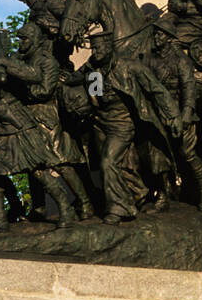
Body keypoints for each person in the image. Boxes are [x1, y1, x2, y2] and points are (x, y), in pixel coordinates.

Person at [0, 38, 79, 234]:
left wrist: (6, 66)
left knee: (37, 170)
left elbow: (33, 76)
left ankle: (65, 208)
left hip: (16, 125)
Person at [66, 27, 183, 224]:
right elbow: (79, 81)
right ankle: (139, 193)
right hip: (100, 123)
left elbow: (157, 90)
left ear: (109, 46)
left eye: (99, 48)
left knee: (108, 162)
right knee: (123, 167)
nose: (96, 52)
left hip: (122, 123)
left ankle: (120, 207)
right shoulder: (92, 68)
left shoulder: (129, 66)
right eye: (93, 49)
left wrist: (174, 116)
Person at [147, 17, 202, 212]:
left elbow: (189, 88)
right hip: (159, 113)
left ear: (169, 38)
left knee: (187, 153)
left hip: (179, 112)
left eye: (160, 34)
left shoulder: (181, 60)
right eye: (156, 33)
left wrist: (186, 114)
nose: (157, 37)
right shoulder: (151, 59)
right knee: (158, 155)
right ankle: (162, 196)